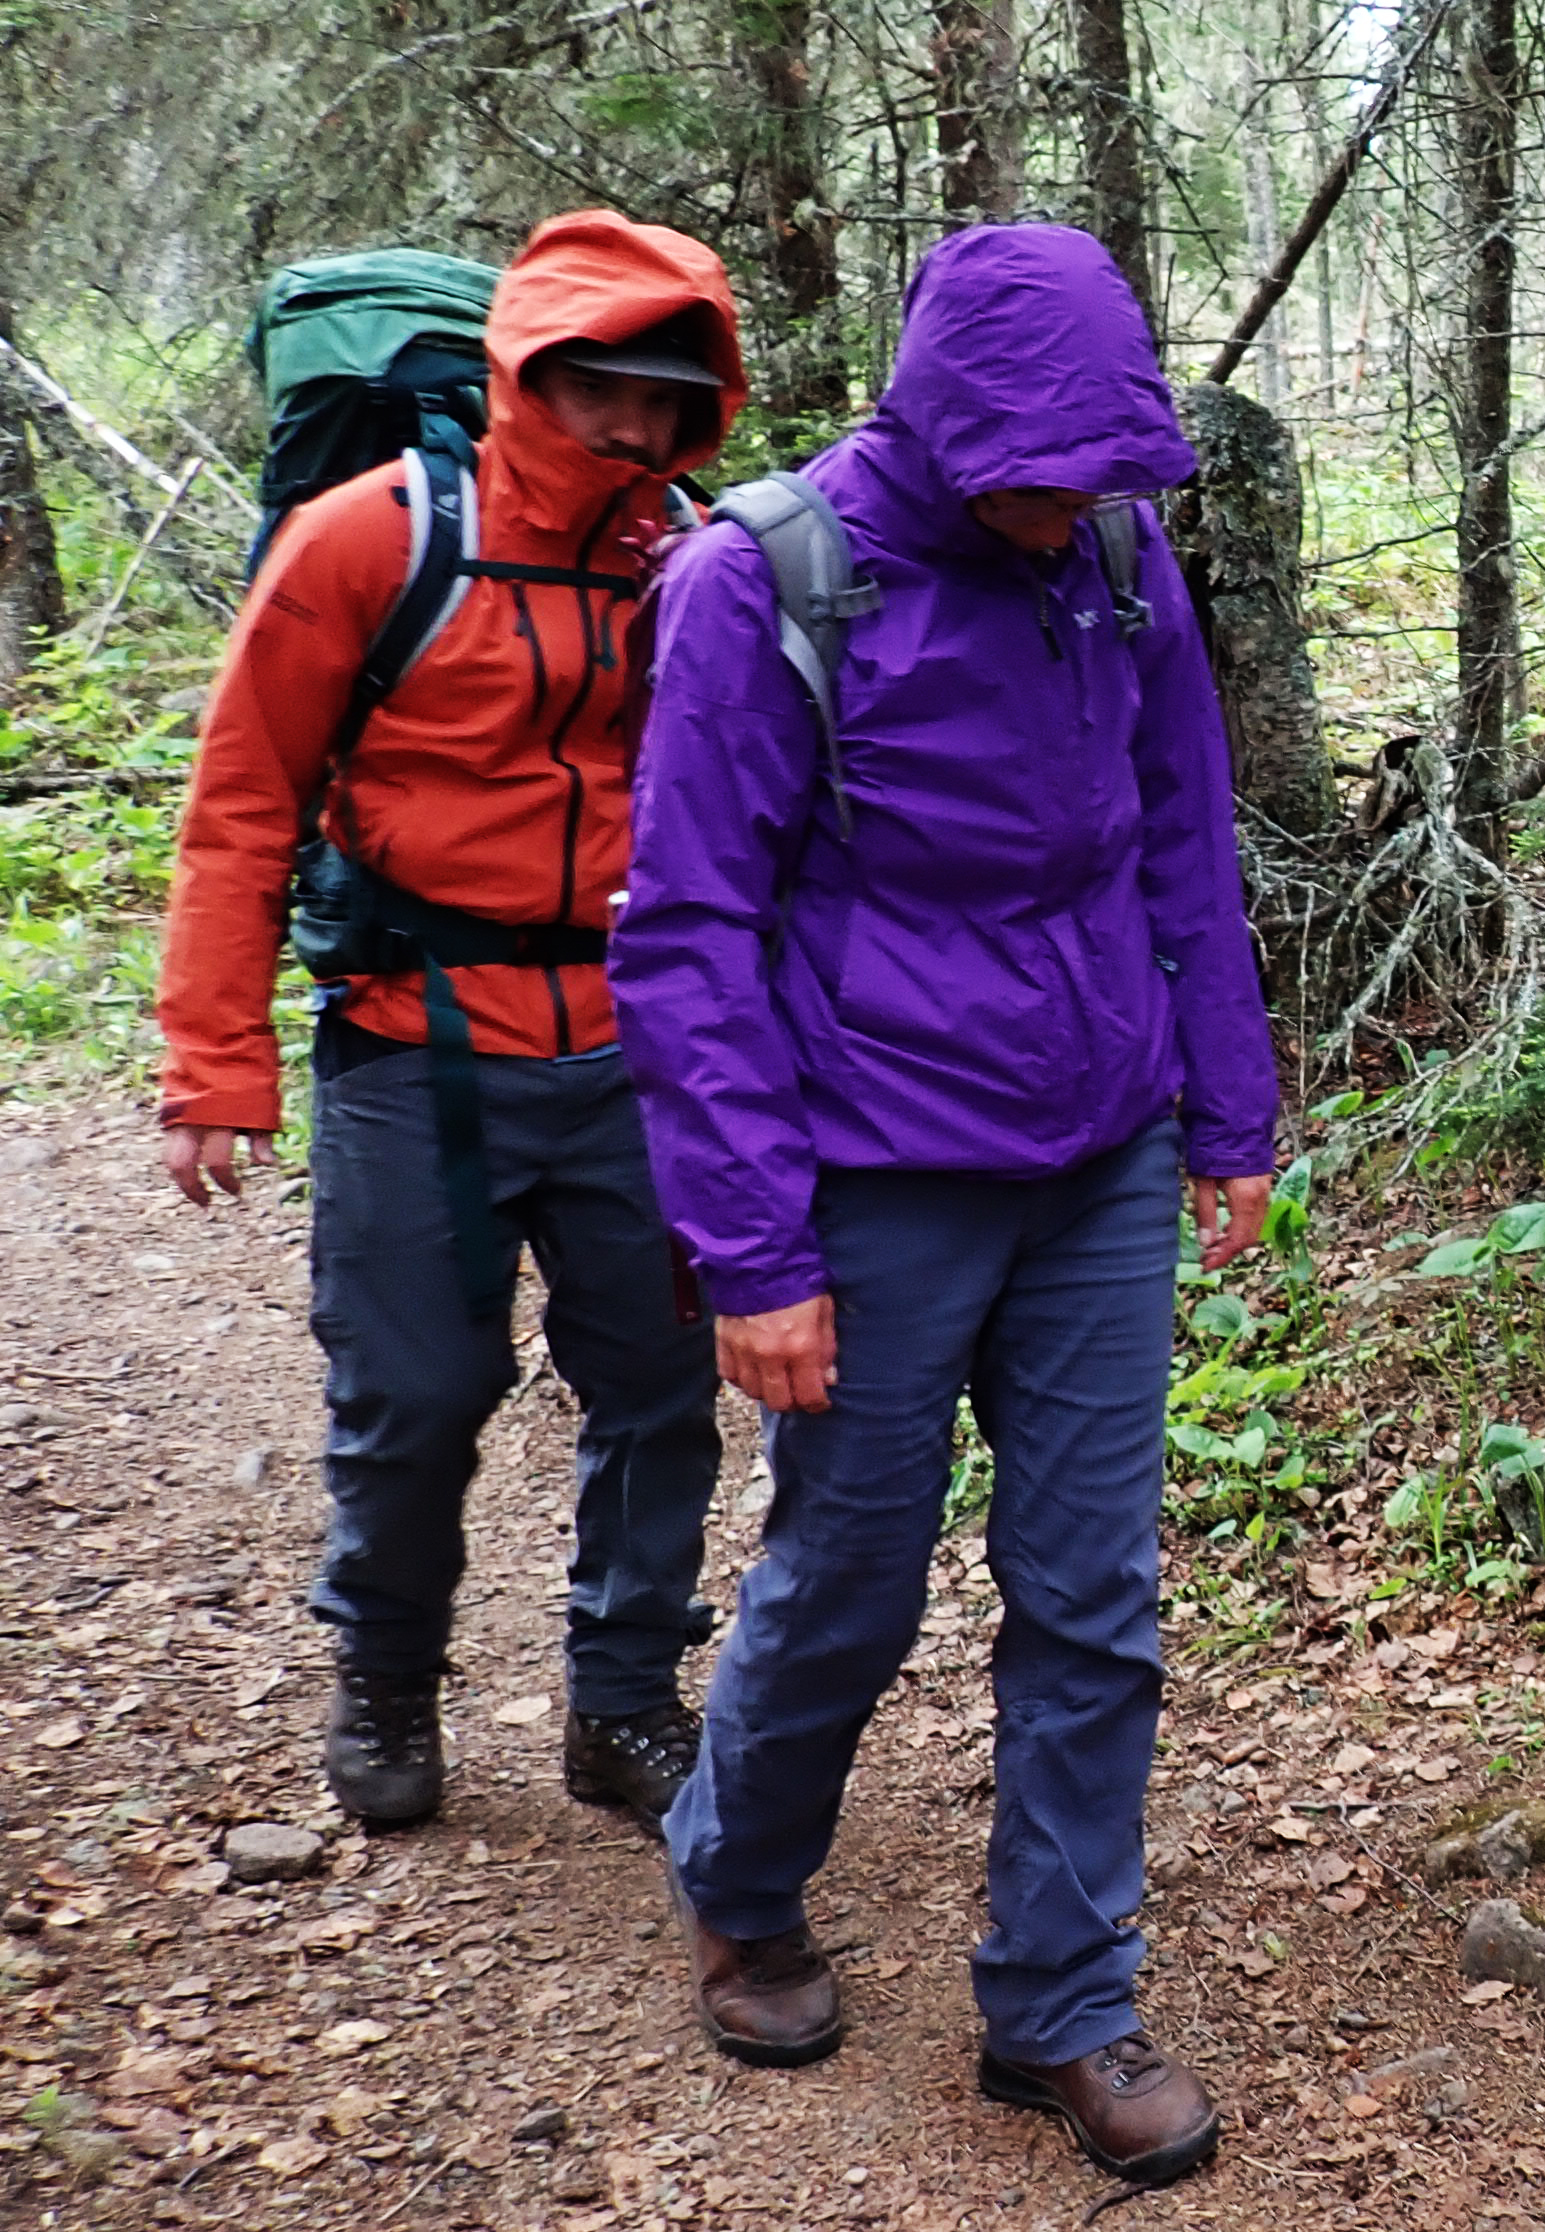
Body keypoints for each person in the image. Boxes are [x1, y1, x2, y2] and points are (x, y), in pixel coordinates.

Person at [612, 222, 1277, 2191]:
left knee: (1094, 1595)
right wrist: (753, 1249)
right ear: (943, 417)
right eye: (1040, 473)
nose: (1066, 509)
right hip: (872, 1173)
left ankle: (1059, 2001)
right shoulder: (768, 582)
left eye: (1100, 474)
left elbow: (1183, 835)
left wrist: (1226, 1113)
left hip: (1094, 1161)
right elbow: (688, 934)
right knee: (853, 1568)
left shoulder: (1116, 559)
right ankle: (738, 1880)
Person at [155, 211, 747, 1832]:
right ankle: (389, 1677)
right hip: (416, 1039)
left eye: (666, 398)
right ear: (526, 373)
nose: (631, 426)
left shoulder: (696, 560)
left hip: (640, 1042)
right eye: (599, 389)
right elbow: (242, 805)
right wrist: (218, 1057)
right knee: (413, 1397)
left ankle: (621, 1703)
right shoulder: (370, 539)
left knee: (659, 1389)